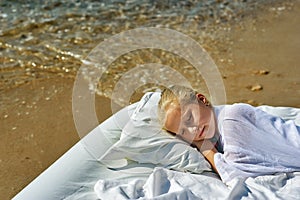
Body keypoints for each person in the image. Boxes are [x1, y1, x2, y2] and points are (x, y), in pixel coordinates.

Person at [157, 85, 300, 183]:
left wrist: (205, 147)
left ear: (202, 99)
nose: (192, 130)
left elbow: (234, 175)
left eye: (189, 118)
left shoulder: (230, 119)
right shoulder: (216, 131)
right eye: (183, 131)